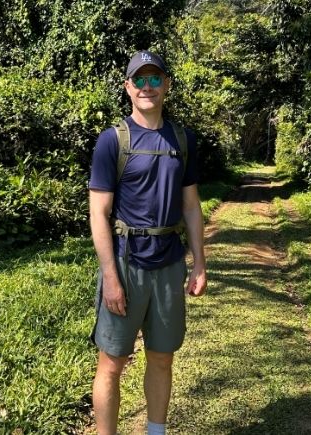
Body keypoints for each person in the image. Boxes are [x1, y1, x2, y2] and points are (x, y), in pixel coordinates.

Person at [88, 50, 207, 435]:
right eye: (139, 80)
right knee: (111, 362)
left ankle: (156, 431)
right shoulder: (111, 142)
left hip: (169, 264)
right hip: (125, 263)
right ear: (128, 87)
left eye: (155, 79)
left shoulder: (183, 140)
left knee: (161, 358)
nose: (147, 87)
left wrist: (200, 264)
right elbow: (98, 213)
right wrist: (110, 276)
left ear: (167, 85)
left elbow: (190, 207)